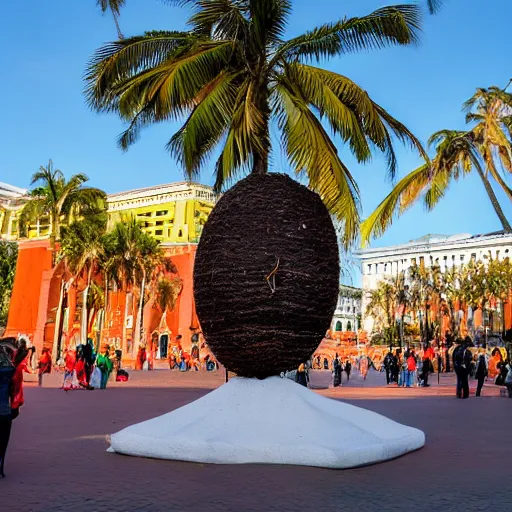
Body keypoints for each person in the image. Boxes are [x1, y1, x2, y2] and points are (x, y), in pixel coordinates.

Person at [0, 339, 19, 478]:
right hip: (4, 410)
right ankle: (0, 465)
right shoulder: (8, 366)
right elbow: (14, 389)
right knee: (3, 440)